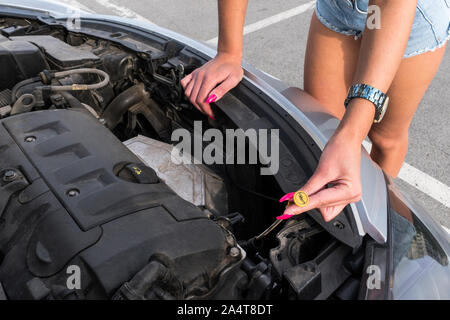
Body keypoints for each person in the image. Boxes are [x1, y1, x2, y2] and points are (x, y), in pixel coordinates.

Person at [180, 0, 450, 222]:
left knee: (384, 138)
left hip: (409, 14)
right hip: (339, 7)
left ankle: (388, 235)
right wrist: (229, 52)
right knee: (318, 134)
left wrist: (351, 135)